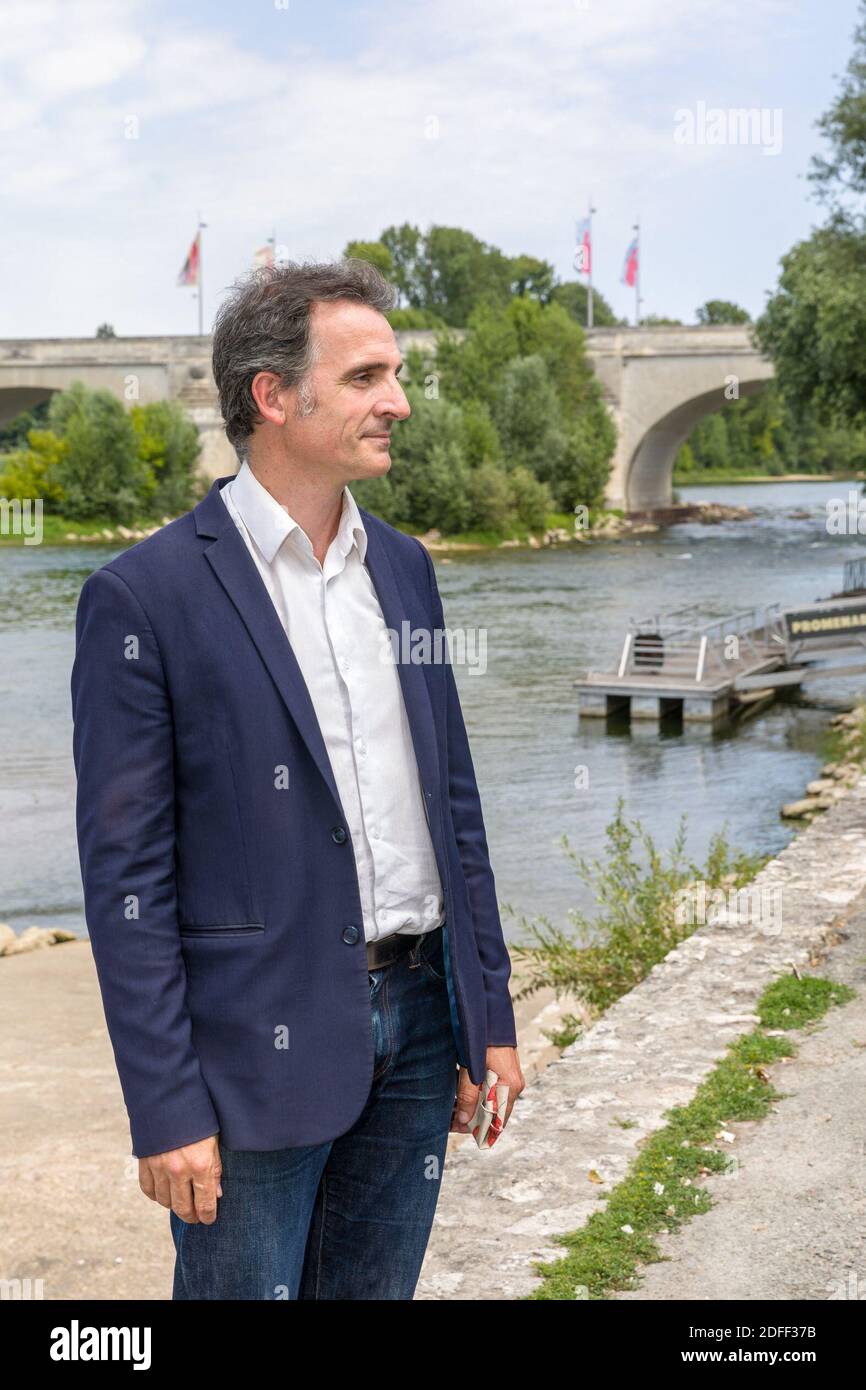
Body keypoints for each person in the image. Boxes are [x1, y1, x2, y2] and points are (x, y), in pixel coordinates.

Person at [70, 258, 525, 1300]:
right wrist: (165, 1105)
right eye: (366, 376)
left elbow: (452, 804)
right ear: (274, 396)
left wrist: (485, 1011)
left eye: (394, 374)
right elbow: (125, 883)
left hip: (418, 1030)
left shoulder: (404, 570)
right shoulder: (143, 597)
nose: (397, 402)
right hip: (249, 1051)